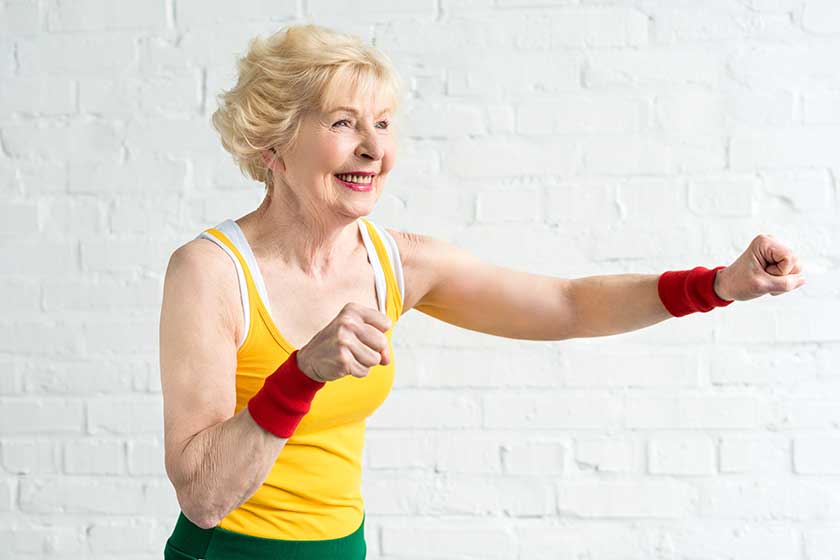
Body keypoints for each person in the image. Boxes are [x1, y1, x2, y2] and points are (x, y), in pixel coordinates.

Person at [158, 23, 807, 560]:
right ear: (273, 143)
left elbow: (569, 307)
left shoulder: (397, 264)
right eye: (343, 123)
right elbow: (204, 496)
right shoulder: (210, 273)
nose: (372, 149)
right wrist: (301, 373)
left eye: (382, 125)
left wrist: (717, 285)